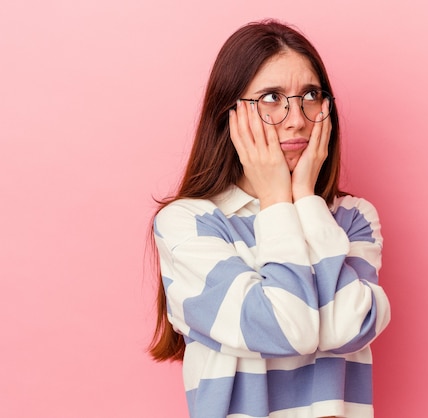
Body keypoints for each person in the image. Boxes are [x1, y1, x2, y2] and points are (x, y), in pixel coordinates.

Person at [148, 19, 391, 418]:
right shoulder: (189, 223)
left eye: (310, 95)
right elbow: (286, 330)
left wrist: (306, 202)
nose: (296, 119)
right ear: (228, 114)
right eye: (272, 97)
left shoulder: (353, 218)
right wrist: (278, 199)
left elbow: (351, 328)